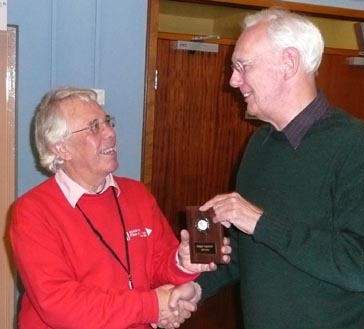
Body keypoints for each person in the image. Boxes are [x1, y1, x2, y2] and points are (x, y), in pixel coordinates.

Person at [186, 7, 364, 329]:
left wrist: (259, 221)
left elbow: (362, 266)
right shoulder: (260, 144)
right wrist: (194, 289)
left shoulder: (357, 143)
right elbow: (249, 253)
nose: (233, 81)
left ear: (288, 63)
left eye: (242, 67)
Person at [9, 87, 230, 329]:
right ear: (62, 148)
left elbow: (157, 265)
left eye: (107, 122)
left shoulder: (137, 195)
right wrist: (153, 306)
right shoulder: (32, 211)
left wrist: (181, 262)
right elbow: (60, 305)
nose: (111, 133)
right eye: (94, 127)